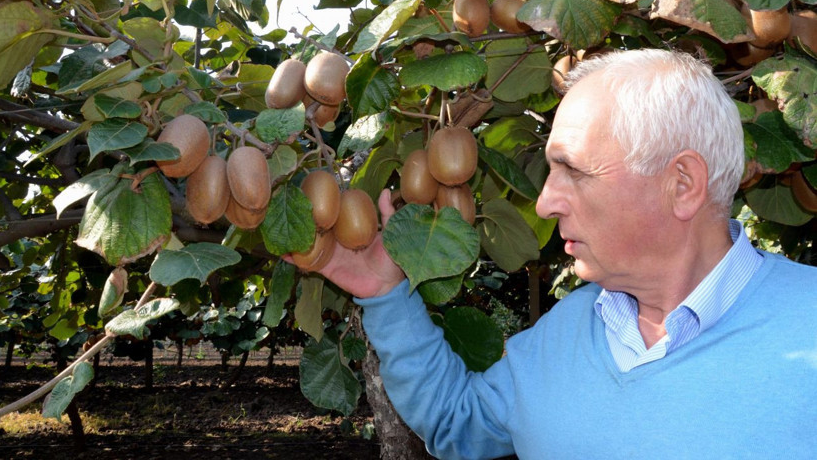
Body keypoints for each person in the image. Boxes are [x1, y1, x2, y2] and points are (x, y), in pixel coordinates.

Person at [314, 49, 817, 459]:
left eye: (573, 170)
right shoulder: (565, 331)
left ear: (681, 184)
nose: (545, 202)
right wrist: (386, 294)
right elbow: (456, 420)